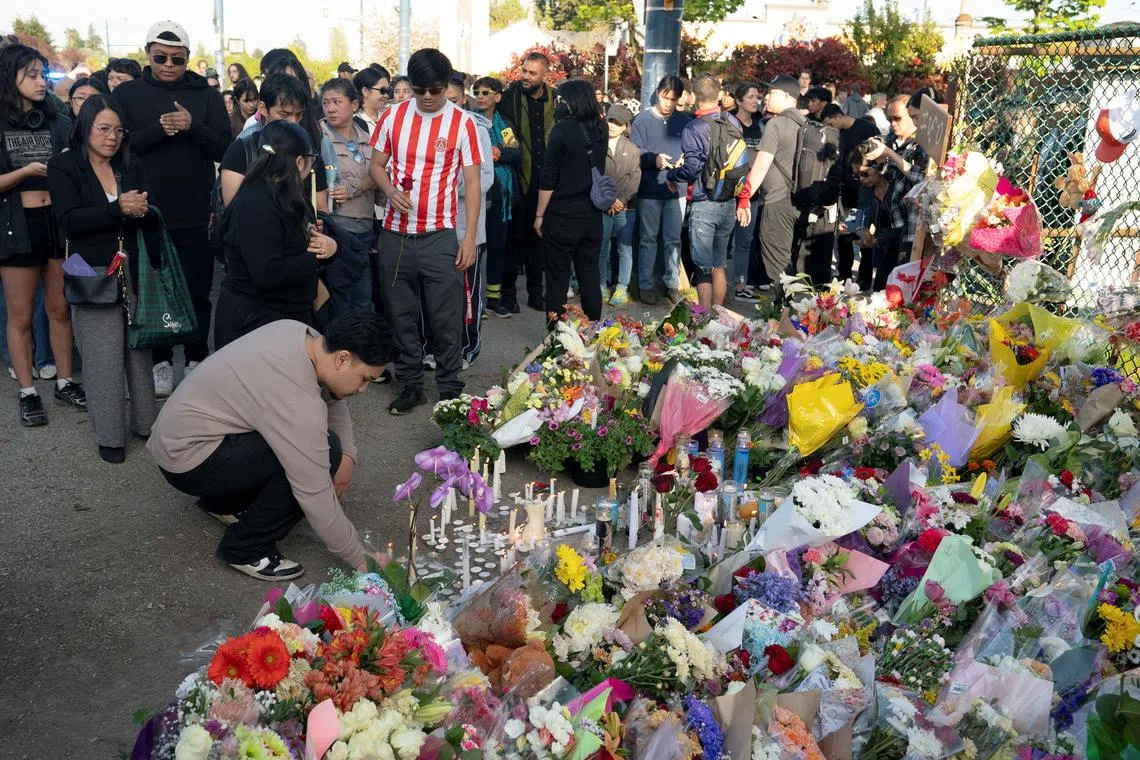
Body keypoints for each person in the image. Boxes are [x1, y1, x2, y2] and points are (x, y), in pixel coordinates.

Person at [149, 311, 394, 580]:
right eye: (365, 379)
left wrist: (350, 455)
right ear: (343, 358)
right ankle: (246, 547)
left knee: (329, 449)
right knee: (322, 453)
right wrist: (360, 558)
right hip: (189, 461)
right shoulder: (296, 398)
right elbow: (314, 493)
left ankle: (224, 504)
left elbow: (334, 396)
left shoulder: (300, 335)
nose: (363, 390)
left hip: (182, 437)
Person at [113, 20, 232, 397]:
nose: (168, 65)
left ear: (187, 59)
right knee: (153, 290)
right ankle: (161, 360)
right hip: (144, 210)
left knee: (198, 290)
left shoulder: (206, 94)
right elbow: (115, 147)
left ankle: (197, 356)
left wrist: (192, 126)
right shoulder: (129, 93)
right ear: (147, 53)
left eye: (176, 59)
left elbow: (224, 149)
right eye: (160, 57)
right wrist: (158, 131)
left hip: (194, 212)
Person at [367, 48, 482, 415]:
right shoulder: (393, 116)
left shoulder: (463, 123)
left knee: (444, 318)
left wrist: (468, 238)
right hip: (395, 236)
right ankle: (411, 385)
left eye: (435, 89)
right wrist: (389, 191)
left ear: (447, 85)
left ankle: (449, 388)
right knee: (400, 315)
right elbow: (376, 165)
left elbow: (473, 184)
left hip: (439, 236)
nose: (428, 97)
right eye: (420, 90)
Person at [47, 95, 158, 463]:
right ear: (86, 127)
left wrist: (141, 210)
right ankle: (110, 435)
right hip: (88, 267)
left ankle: (146, 424)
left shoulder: (130, 163)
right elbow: (69, 220)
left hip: (132, 265)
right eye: (104, 129)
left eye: (118, 130)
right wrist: (117, 209)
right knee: (101, 355)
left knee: (138, 350)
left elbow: (145, 207)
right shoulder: (64, 165)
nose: (112, 137)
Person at [0, 43, 86, 426]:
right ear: (9, 77)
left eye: (43, 74)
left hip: (57, 222)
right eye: (31, 74)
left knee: (59, 308)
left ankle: (65, 381)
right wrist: (25, 172)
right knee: (20, 315)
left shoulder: (57, 118)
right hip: (16, 226)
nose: (41, 82)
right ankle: (27, 390)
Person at [214, 120, 338, 350]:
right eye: (312, 160)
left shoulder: (288, 196)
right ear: (300, 161)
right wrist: (316, 256)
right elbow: (267, 272)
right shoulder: (257, 201)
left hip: (282, 319)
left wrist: (326, 246)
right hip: (255, 324)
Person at [533, 79, 605, 323]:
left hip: (561, 216)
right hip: (592, 215)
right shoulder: (600, 128)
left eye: (559, 100)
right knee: (590, 277)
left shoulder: (561, 130)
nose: (556, 104)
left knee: (557, 280)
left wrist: (539, 215)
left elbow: (549, 178)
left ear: (570, 102)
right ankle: (594, 330)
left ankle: (558, 337)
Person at [736, 75, 806, 304]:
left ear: (787, 97)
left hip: (777, 201)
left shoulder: (777, 124)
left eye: (772, 92)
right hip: (799, 202)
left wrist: (744, 198)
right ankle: (794, 311)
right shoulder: (805, 124)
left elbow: (761, 166)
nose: (766, 97)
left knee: (777, 263)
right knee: (789, 261)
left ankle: (789, 316)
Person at [669, 74, 736, 308]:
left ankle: (704, 318)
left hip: (703, 200)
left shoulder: (694, 127)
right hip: (728, 200)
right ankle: (718, 314)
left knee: (703, 267)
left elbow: (692, 167)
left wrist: (671, 175)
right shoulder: (732, 122)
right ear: (718, 95)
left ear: (694, 96)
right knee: (719, 264)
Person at [499, 51, 556, 313]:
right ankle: (508, 294)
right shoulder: (510, 98)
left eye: (532, 73)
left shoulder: (555, 100)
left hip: (546, 183)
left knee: (539, 242)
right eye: (524, 71)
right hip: (518, 180)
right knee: (514, 240)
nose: (526, 77)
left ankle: (536, 292)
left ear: (545, 75)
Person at [220, 73, 327, 212]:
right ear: (263, 108)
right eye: (284, 114)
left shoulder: (309, 153)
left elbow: (321, 209)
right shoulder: (242, 150)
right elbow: (233, 212)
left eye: (299, 114)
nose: (293, 122)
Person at [629, 75, 690, 305]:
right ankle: (645, 284)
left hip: (677, 189)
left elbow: (693, 150)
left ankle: (672, 283)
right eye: (665, 98)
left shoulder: (685, 121)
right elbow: (633, 152)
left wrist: (686, 158)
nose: (668, 104)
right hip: (650, 189)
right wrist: (652, 159)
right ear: (657, 93)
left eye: (673, 100)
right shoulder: (642, 120)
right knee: (648, 239)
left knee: (673, 239)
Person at [320, 78, 376, 311]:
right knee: (339, 301)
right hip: (338, 229)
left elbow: (380, 178)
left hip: (365, 229)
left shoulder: (367, 137)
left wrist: (358, 185)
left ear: (354, 105)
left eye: (336, 102)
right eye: (325, 102)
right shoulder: (319, 137)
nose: (330, 108)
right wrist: (368, 182)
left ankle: (360, 348)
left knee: (363, 301)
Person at [863, 95, 928, 288]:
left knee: (899, 285)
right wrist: (876, 166)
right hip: (890, 220)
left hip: (910, 225)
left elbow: (922, 179)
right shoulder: (891, 140)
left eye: (898, 118)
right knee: (882, 283)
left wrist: (890, 154)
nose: (892, 124)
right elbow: (888, 176)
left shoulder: (922, 146)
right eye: (889, 118)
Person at [473, 76, 521, 319]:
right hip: (475, 193)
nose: (480, 96)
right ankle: (473, 300)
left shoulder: (503, 124)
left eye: (486, 92)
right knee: (475, 248)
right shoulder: (469, 122)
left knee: (497, 247)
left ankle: (493, 298)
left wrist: (499, 153)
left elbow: (516, 153)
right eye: (477, 92)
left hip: (500, 195)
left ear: (497, 96)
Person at [821, 102, 880, 285]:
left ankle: (864, 276)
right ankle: (844, 274)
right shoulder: (838, 134)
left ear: (838, 116)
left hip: (866, 189)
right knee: (846, 232)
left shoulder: (867, 128)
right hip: (846, 191)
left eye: (830, 124)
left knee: (864, 233)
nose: (830, 128)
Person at [599, 103, 640, 307]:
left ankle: (622, 286)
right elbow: (595, 175)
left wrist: (621, 200)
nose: (612, 125)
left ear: (625, 126)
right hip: (602, 206)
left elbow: (635, 178)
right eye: (610, 120)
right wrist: (607, 200)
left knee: (624, 248)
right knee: (602, 247)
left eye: (617, 122)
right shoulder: (597, 144)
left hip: (627, 207)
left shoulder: (632, 149)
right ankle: (600, 285)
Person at [729, 81, 764, 301]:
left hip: (752, 193)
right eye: (750, 97)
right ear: (739, 100)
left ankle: (740, 284)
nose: (755, 101)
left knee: (744, 241)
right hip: (727, 192)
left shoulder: (762, 124)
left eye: (757, 97)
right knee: (722, 241)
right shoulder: (727, 122)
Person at [352, 66, 390, 134]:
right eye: (382, 90)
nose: (386, 95)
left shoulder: (390, 117)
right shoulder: (353, 125)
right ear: (365, 92)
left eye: (388, 90)